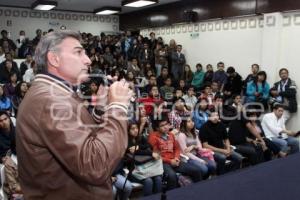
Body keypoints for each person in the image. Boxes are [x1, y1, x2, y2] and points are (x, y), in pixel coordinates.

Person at [16, 30, 133, 200]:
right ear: (54, 59)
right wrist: (118, 106)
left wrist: (101, 109)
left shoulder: (54, 93)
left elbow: (87, 140)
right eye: (78, 52)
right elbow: (95, 165)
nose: (88, 60)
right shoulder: (51, 100)